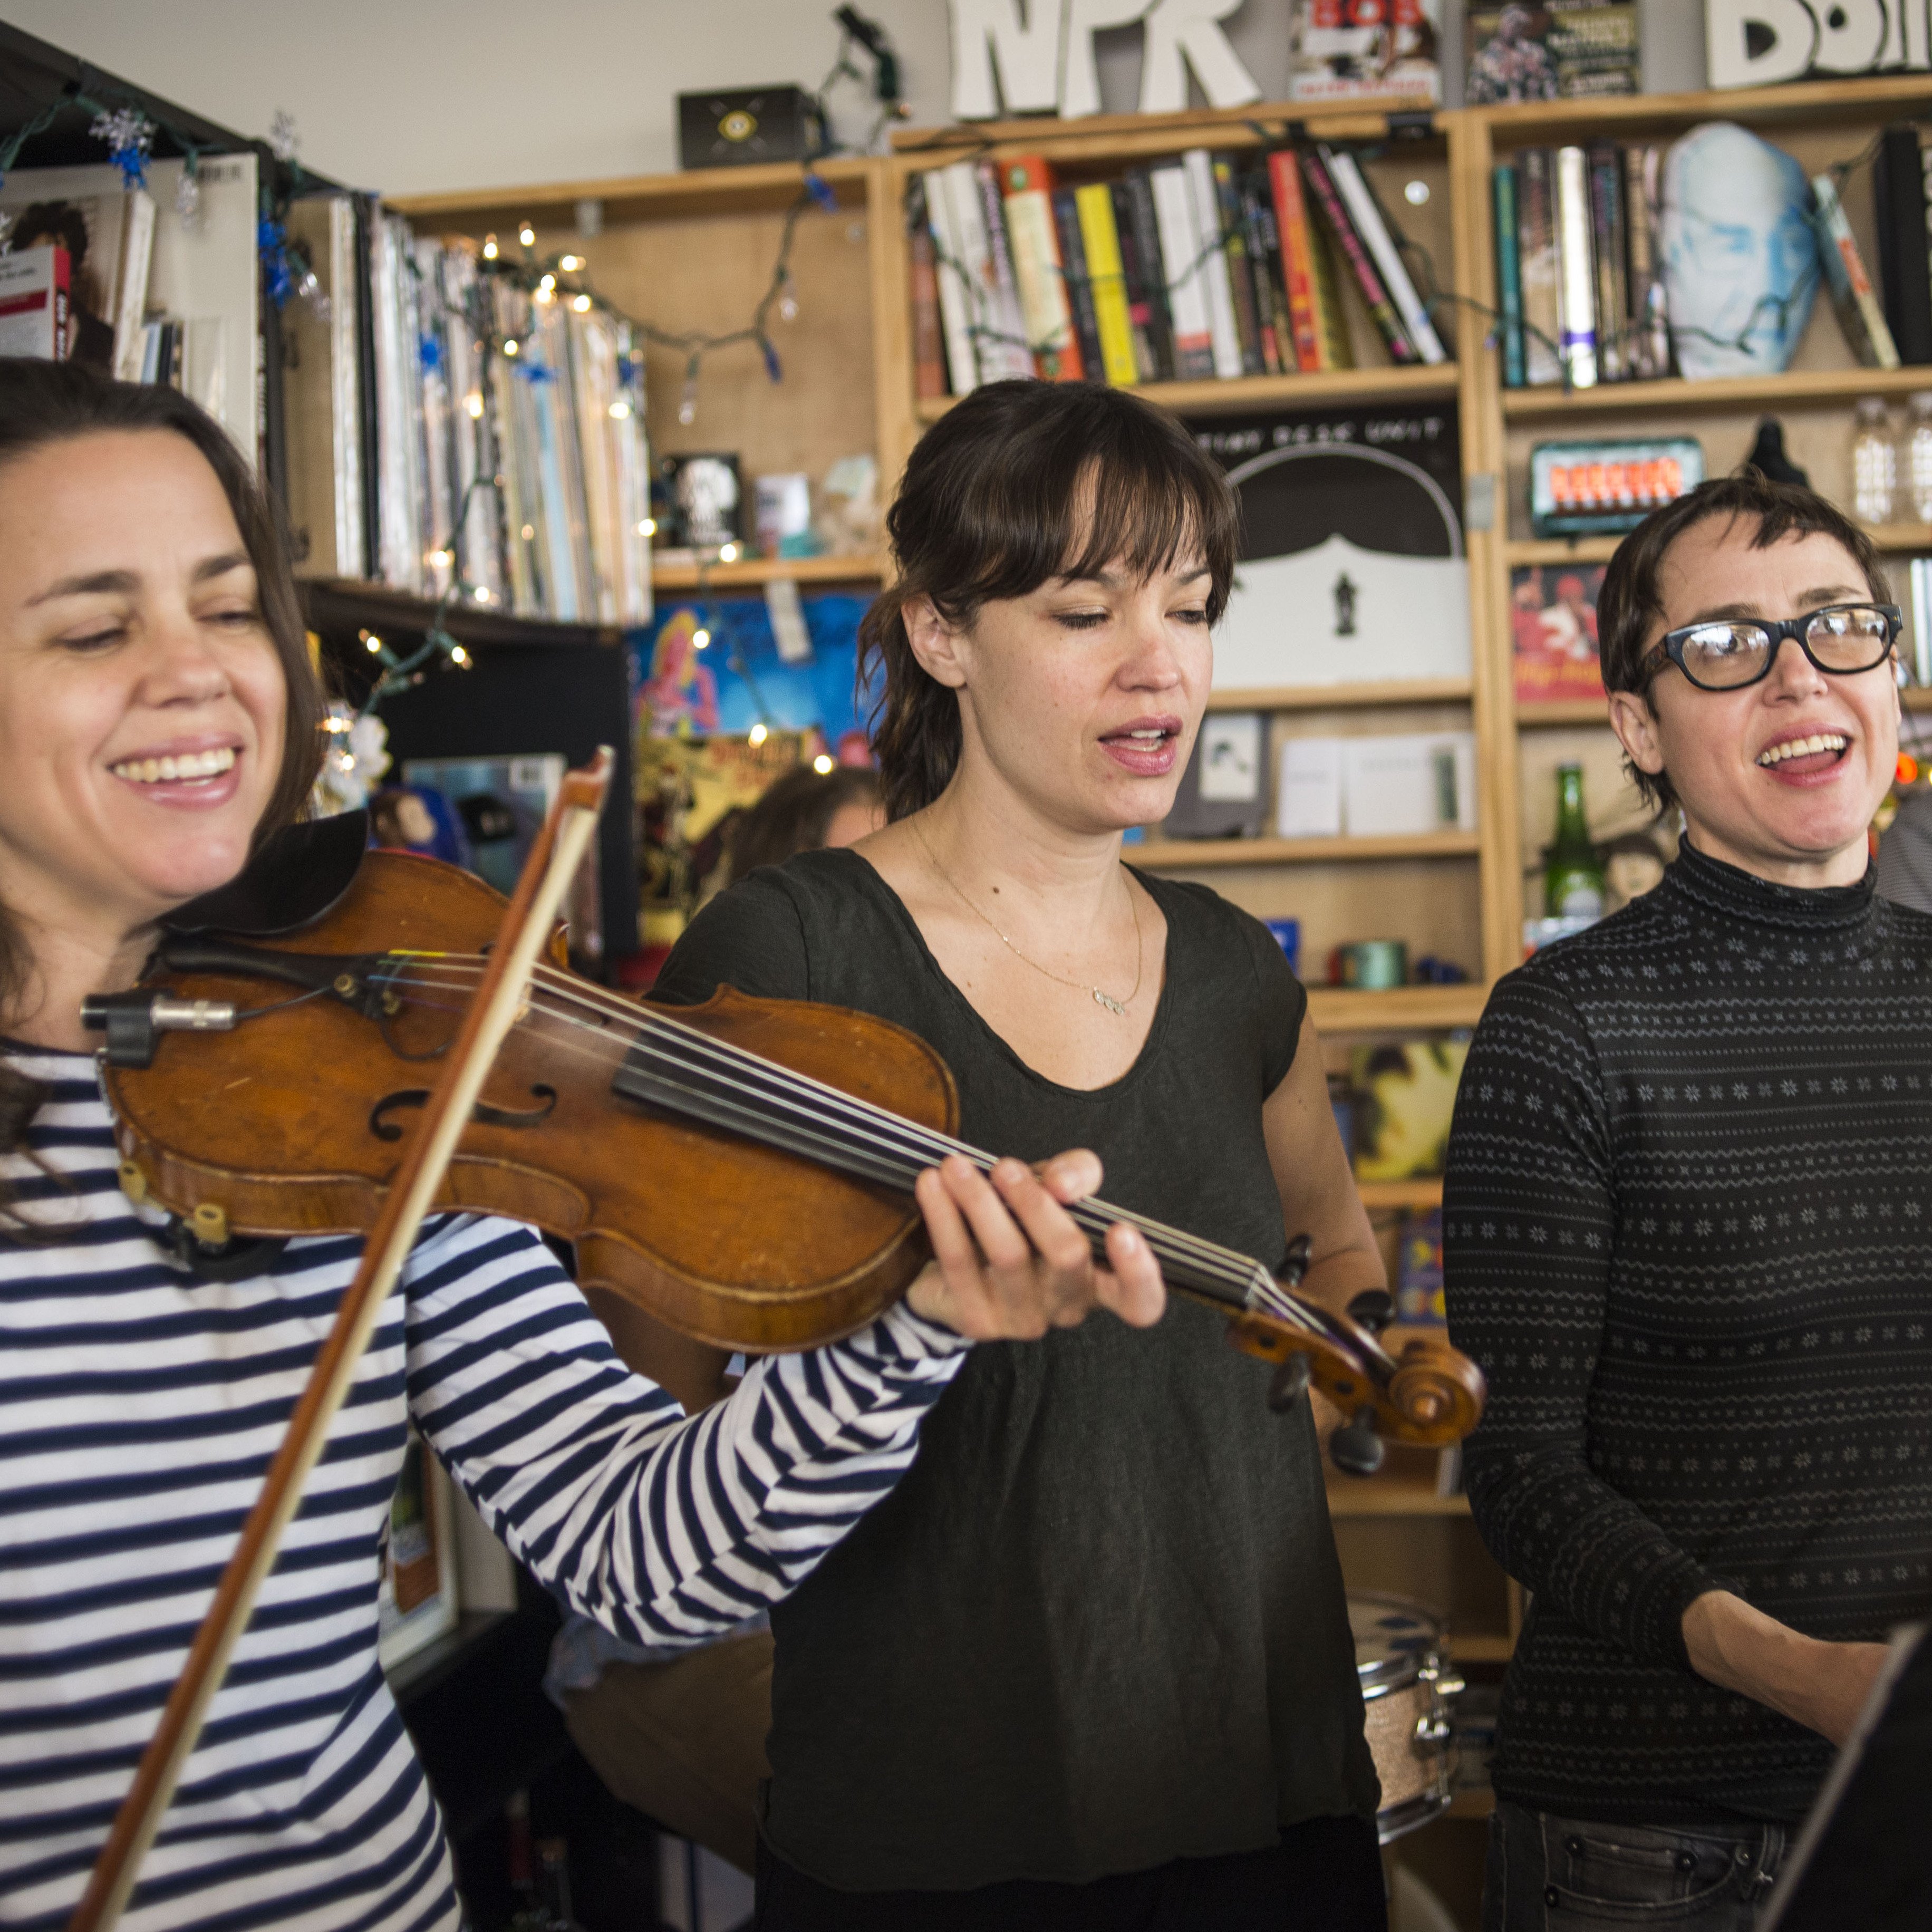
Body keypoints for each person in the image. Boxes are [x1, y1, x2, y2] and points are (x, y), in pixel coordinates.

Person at [0, 358, 1163, 1932]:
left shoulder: (378, 1065)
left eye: (224, 607)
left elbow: (644, 1561)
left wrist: (909, 1329)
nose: (197, 673)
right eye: (94, 630)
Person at [652, 378, 1391, 1928]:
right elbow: (662, 1387)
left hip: (1260, 1778)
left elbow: (1334, 1257)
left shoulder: (1232, 968)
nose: (1157, 663)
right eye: (1083, 611)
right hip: (932, 1812)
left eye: (1190, 608)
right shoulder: (792, 950)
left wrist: (1286, 1422)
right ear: (941, 631)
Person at [1443, 472, 1932, 1930]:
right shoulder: (1563, 1029)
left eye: (1838, 626)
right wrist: (1808, 1676)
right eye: (1724, 645)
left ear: (1891, 676)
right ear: (1638, 726)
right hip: (1662, 1849)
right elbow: (1519, 1478)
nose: (1799, 677)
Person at [555, 757, 881, 1875]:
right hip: (690, 1634)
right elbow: (647, 1471)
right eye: (862, 891)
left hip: (899, 1618)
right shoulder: (686, 1138)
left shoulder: (934, 1115)